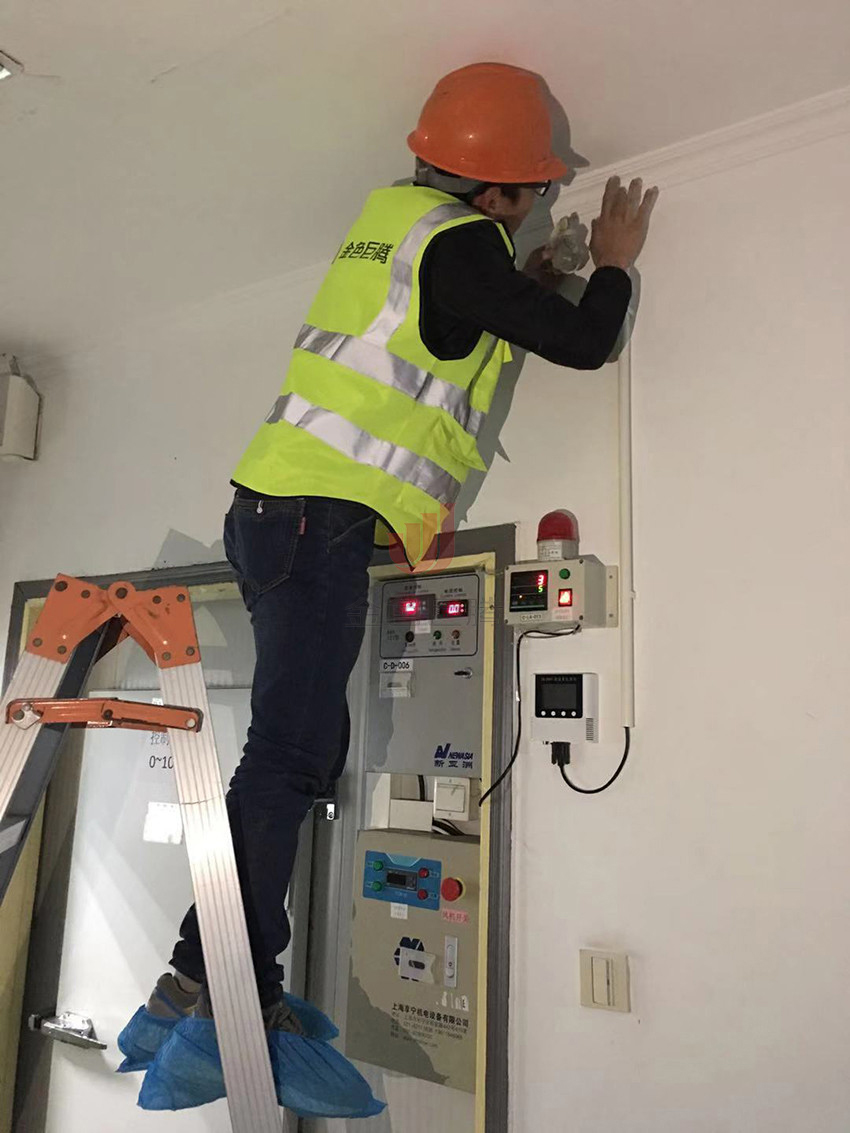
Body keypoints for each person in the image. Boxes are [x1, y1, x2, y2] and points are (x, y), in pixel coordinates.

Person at [141, 61, 657, 1037]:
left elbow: (447, 331)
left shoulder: (396, 225)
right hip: (316, 519)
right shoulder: (462, 245)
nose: (536, 205)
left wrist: (530, 279)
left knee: (302, 746)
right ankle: (211, 972)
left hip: (278, 510)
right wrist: (617, 261)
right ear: (493, 192)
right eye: (533, 191)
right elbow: (586, 343)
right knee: (289, 752)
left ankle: (216, 967)